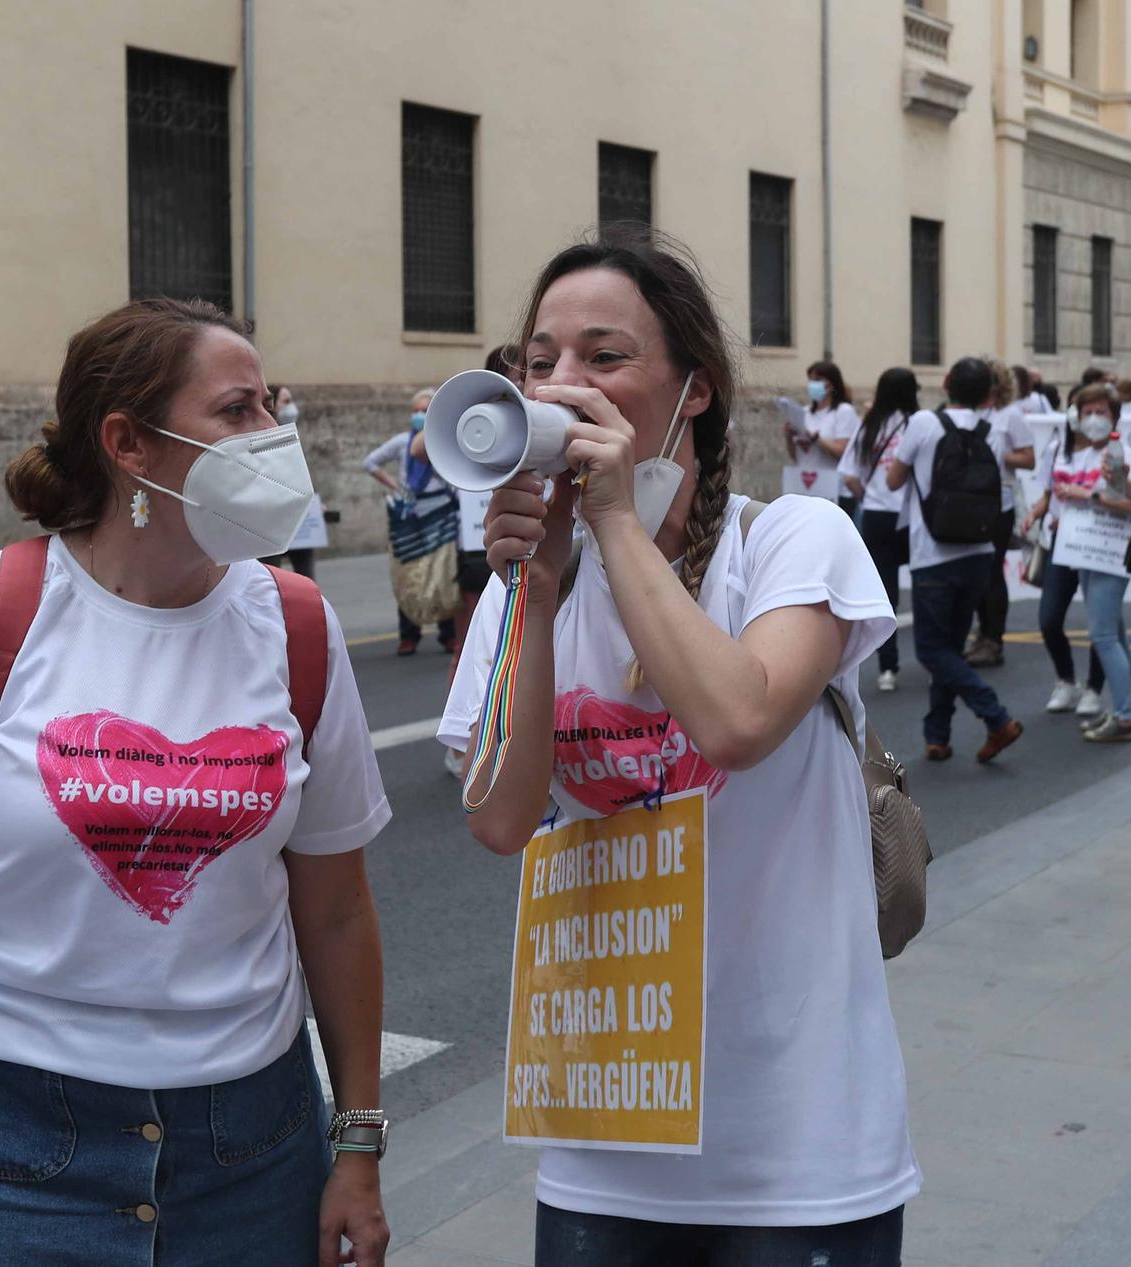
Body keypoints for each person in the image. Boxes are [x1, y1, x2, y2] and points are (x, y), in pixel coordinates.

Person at [0, 298, 394, 1267]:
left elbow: (334, 914)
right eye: (237, 411)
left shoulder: (296, 625)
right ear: (129, 444)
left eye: (269, 407)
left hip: (250, 1146)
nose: (272, 437)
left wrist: (355, 1146)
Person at [443, 229, 913, 1265]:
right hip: (605, 1136)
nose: (564, 384)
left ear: (693, 389)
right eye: (540, 360)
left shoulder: (792, 541)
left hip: (799, 1143)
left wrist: (614, 520)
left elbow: (736, 721)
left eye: (603, 358)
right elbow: (498, 815)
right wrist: (532, 586)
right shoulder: (532, 581)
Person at [886, 356, 1026, 762]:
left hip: (933, 553)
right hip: (979, 552)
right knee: (950, 645)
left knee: (932, 651)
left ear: (946, 382)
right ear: (989, 394)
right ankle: (938, 735)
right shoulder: (991, 431)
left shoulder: (923, 424)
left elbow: (894, 479)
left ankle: (995, 716)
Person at [1022, 384, 1131, 741]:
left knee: (1103, 634)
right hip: (1081, 549)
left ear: (1115, 417)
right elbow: (1057, 495)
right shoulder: (1079, 452)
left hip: (1109, 550)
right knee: (1113, 633)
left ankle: (1124, 716)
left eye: (1101, 412)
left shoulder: (1119, 453)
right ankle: (1121, 708)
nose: (1093, 419)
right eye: (1086, 412)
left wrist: (1085, 496)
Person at [365, 388, 455, 654]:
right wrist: (396, 486)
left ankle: (447, 633)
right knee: (409, 573)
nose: (418, 416)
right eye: (415, 411)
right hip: (409, 513)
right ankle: (409, 635)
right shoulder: (401, 442)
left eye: (425, 411)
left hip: (439, 511)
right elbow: (370, 462)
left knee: (442, 571)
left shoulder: (443, 441)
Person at [845, 367, 918, 692]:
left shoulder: (870, 425)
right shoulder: (919, 424)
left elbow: (849, 474)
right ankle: (935, 660)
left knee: (885, 593)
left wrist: (869, 497)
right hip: (913, 516)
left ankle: (888, 668)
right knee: (926, 588)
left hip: (876, 516)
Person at [967, 359, 1037, 669]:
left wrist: (992, 452)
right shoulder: (967, 413)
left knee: (993, 571)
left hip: (999, 501)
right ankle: (980, 631)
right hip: (969, 501)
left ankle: (994, 638)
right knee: (976, 571)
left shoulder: (1010, 416)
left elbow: (1029, 459)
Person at [776, 360, 860, 516]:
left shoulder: (843, 412)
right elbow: (797, 457)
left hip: (834, 490)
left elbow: (842, 452)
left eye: (818, 380)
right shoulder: (805, 413)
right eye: (811, 380)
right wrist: (789, 437)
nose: (813, 385)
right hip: (805, 488)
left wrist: (814, 437)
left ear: (832, 383)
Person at [260, 386, 319, 578]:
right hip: (275, 520)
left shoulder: (294, 435)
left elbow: (303, 475)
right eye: (286, 401)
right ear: (273, 406)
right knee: (272, 577)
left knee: (307, 578)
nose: (292, 407)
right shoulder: (265, 440)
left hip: (302, 519)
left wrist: (316, 503)